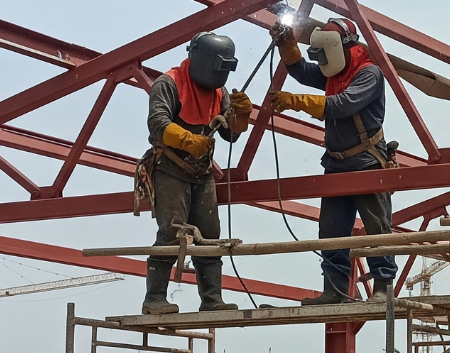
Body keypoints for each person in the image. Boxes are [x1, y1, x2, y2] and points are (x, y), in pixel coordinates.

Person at [270, 18, 396, 304]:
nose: (323, 59)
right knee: (331, 232)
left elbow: (342, 105)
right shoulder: (334, 72)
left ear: (342, 47)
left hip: (367, 163)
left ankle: (383, 287)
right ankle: (335, 290)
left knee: (377, 227)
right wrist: (287, 45)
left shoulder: (369, 74)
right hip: (337, 164)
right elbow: (302, 72)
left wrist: (294, 102)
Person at [141, 32, 253, 314]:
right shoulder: (169, 83)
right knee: (171, 232)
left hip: (201, 174)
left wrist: (240, 117)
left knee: (210, 236)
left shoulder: (219, 91)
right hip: (170, 168)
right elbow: (157, 123)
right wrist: (187, 140)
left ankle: (212, 300)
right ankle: (154, 299)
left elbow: (230, 135)